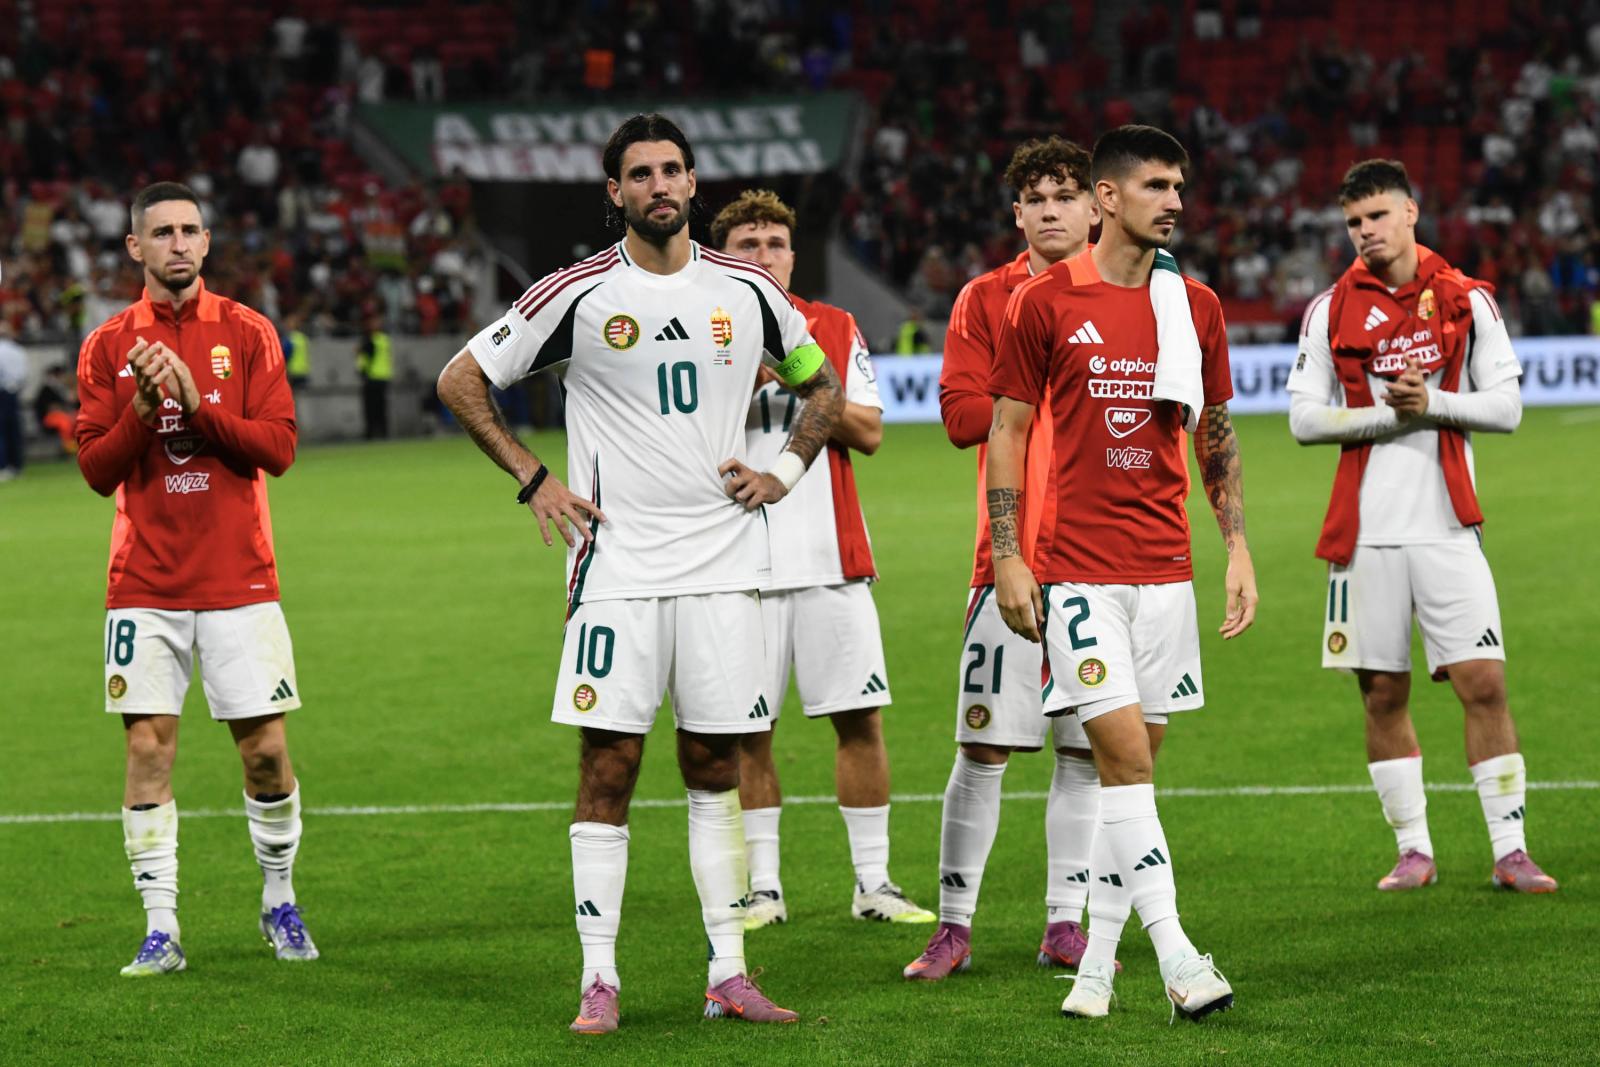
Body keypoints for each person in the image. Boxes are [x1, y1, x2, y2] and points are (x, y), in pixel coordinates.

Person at [435, 114, 844, 1034]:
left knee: (714, 763)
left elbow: (822, 387)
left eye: (671, 170)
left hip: (722, 567)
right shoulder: (577, 292)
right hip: (615, 567)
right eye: (640, 174)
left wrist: (781, 472)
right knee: (609, 765)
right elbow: (462, 378)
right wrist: (534, 477)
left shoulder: (749, 291)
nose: (659, 185)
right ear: (614, 192)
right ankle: (599, 976)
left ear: (693, 182)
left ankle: (728, 971)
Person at [989, 126, 1257, 1021]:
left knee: (1126, 783)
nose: (1174, 200)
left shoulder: (1197, 306)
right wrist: (1009, 554)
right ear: (1107, 197)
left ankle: (1095, 971)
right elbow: (1008, 430)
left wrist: (1237, 548)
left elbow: (1215, 432)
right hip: (1079, 572)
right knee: (1127, 760)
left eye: (1179, 185)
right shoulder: (1045, 301)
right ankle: (1179, 956)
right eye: (1155, 185)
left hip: (1167, 571)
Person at [1287, 159, 1556, 895]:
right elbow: (1303, 420)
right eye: (1353, 222)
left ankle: (1511, 850)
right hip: (1363, 536)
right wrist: (1390, 415)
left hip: (1447, 527)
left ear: (1410, 212)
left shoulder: (1468, 299)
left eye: (1377, 215)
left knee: (1484, 682)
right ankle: (1413, 850)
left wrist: (1432, 404)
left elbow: (1506, 407)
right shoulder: (1329, 310)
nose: (1365, 231)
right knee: (1381, 693)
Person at [73, 181, 314, 977]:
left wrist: (193, 404)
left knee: (266, 754)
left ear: (206, 242)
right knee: (147, 749)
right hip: (143, 584)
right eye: (162, 232)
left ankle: (279, 899)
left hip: (240, 578)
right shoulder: (107, 345)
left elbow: (278, 449)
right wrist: (143, 409)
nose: (177, 243)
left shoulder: (248, 332)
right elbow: (95, 469)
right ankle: (161, 927)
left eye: (189, 230)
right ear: (135, 247)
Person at [904, 137, 1106, 983]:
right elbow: (960, 417)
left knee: (1086, 750)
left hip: (1106, 555)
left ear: (1096, 206)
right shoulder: (986, 297)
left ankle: (1066, 922)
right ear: (1016, 213)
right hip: (1011, 554)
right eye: (1037, 198)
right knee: (983, 745)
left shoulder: (1136, 294)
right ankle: (953, 927)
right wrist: (1038, 380)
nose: (1052, 210)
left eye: (1066, 195)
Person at [712, 189, 933, 929]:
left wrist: (804, 384)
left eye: (775, 243)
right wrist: (739, 381)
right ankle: (763, 890)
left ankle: (874, 883)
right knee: (747, 731)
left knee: (859, 720)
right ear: (721, 257)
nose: (764, 256)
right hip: (734, 564)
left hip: (831, 558)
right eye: (747, 245)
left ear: (793, 255)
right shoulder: (697, 333)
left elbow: (869, 431)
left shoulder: (831, 325)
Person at [356, 311, 392, 438]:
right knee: (379, 407)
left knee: (372, 407)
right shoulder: (383, 339)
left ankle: (373, 433)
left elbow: (363, 359)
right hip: (379, 376)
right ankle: (381, 432)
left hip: (373, 376)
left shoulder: (369, 340)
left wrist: (361, 370)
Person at [34, 363, 80, 455]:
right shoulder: (46, 389)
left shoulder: (61, 388)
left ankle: (78, 444)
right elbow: (52, 408)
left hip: (63, 414)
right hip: (49, 417)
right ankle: (68, 447)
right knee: (64, 422)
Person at [0, 320, 25, 480]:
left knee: (1, 431)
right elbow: (23, 375)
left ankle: (3, 466)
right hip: (14, 392)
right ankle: (16, 465)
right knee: (14, 430)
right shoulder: (18, 350)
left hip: (2, 392)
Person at [282, 309, 311, 391]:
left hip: (292, 372)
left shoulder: (289, 338)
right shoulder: (303, 338)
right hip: (303, 371)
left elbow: (284, 356)